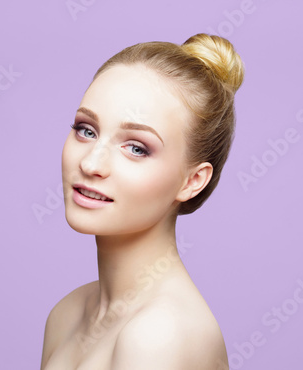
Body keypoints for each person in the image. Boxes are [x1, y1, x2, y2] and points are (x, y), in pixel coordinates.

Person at [41, 33, 244, 370]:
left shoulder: (160, 335)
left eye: (136, 147)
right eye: (86, 130)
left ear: (193, 180)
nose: (90, 164)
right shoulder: (67, 314)